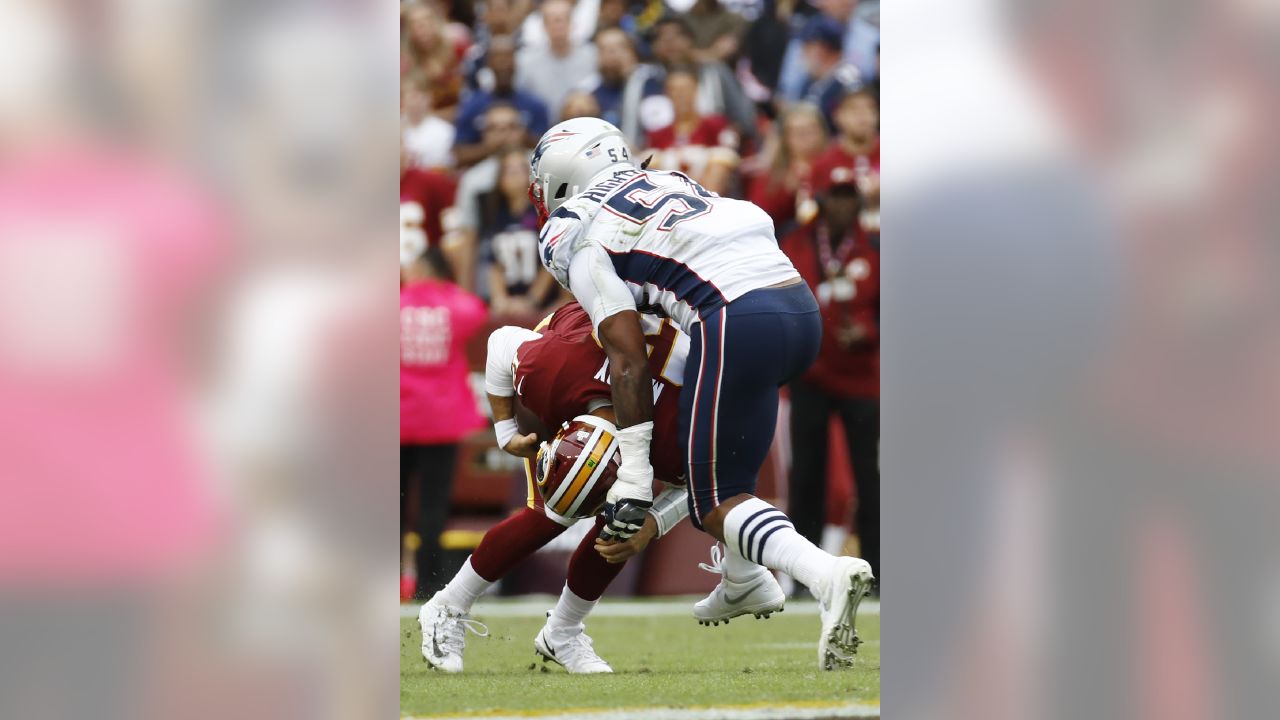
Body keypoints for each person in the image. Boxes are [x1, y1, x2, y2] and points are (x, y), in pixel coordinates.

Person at [530, 117, 873, 669]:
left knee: (716, 501)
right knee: (716, 473)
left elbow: (626, 355)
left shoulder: (576, 227)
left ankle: (825, 574)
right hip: (797, 306)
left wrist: (636, 475)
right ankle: (744, 580)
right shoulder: (669, 180)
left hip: (734, 317)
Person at [419, 301, 692, 673]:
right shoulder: (554, 368)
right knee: (550, 512)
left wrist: (652, 523)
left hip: (664, 372)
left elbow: (704, 482)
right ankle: (447, 606)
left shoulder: (678, 424)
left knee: (624, 522)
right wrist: (506, 432)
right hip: (573, 352)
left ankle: (562, 631)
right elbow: (501, 342)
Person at [778, 158, 880, 582]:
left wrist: (868, 329)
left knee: (870, 477)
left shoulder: (876, 247)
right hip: (811, 375)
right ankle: (806, 575)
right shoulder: (795, 244)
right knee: (806, 476)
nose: (843, 206)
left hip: (862, 378)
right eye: (835, 197)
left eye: (849, 197)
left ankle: (879, 567)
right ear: (819, 199)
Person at [400, 244, 488, 599]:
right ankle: (428, 583)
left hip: (398, 418)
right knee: (434, 508)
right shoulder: (456, 305)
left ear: (420, 268)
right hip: (442, 419)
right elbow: (477, 311)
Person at [450, 103, 530, 292]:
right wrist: (465, 295)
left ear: (522, 131)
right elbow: (469, 237)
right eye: (496, 129)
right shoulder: (473, 180)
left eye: (511, 127)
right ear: (485, 134)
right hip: (492, 262)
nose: (504, 135)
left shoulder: (544, 167)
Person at [477, 148, 564, 316]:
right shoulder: (495, 216)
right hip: (509, 302)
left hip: (544, 303)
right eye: (509, 171)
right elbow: (494, 264)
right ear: (500, 180)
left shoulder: (543, 213)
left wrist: (532, 301)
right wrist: (499, 300)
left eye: (519, 170)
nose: (514, 175)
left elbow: (551, 262)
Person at [453, 35, 550, 168]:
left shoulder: (535, 105)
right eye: (498, 58)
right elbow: (459, 154)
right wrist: (490, 146)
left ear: (516, 62)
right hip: (484, 173)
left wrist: (520, 136)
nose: (503, 63)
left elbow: (548, 152)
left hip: (527, 171)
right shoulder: (472, 106)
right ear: (488, 63)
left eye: (508, 57)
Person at [644, 67, 740, 196]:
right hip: (670, 199)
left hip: (711, 197)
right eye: (675, 90)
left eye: (685, 89)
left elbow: (725, 164)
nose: (681, 95)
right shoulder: (657, 134)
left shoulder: (715, 125)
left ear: (696, 90)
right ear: (666, 94)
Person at [744, 101, 828, 232]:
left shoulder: (834, 165)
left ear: (822, 133)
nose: (804, 137)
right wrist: (786, 190)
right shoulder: (771, 175)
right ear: (785, 138)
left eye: (810, 130)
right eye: (797, 132)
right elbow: (758, 217)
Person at [515, 0, 599, 123]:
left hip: (585, 125)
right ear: (543, 25)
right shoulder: (525, 60)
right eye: (551, 21)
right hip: (543, 128)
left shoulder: (593, 55)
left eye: (562, 19)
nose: (557, 25)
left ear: (572, 23)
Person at [788, 15, 862, 131]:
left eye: (806, 47)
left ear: (820, 50)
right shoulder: (810, 82)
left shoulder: (849, 83)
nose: (801, 54)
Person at [401, 1, 463, 115]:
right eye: (415, 24)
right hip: (423, 119)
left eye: (426, 21)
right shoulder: (406, 61)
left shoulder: (457, 48)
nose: (422, 28)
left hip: (456, 113)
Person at [401, 74, 456, 170]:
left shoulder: (444, 131)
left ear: (428, 98)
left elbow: (443, 169)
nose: (412, 101)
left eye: (415, 95)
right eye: (406, 95)